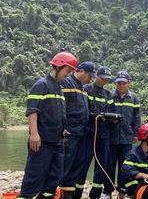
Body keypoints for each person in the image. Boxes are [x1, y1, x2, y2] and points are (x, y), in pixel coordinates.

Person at [17, 52, 78, 199]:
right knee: (34, 178)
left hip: (57, 141)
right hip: (42, 141)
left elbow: (57, 112)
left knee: (54, 178)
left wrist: (63, 128)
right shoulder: (41, 85)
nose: (67, 75)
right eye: (67, 71)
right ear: (58, 67)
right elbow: (32, 111)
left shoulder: (59, 88)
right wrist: (34, 134)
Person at [59, 61, 96, 199]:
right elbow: (60, 106)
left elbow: (83, 110)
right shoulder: (67, 83)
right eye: (89, 75)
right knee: (66, 164)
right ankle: (62, 194)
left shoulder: (82, 88)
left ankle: (68, 194)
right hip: (70, 133)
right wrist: (62, 126)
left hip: (81, 133)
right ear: (80, 71)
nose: (90, 78)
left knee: (76, 165)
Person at [103, 71, 141, 199]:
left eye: (123, 83)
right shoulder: (109, 96)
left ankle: (121, 192)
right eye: (118, 83)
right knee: (109, 166)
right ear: (115, 83)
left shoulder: (134, 98)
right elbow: (104, 115)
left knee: (125, 167)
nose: (121, 85)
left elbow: (137, 118)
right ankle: (107, 192)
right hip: (111, 138)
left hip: (126, 138)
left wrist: (136, 133)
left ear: (128, 83)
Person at [76, 66, 113, 199]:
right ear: (96, 76)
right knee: (82, 164)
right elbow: (83, 111)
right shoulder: (86, 90)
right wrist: (97, 116)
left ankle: (96, 194)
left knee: (101, 167)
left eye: (107, 80)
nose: (104, 82)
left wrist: (113, 119)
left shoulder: (108, 94)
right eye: (102, 79)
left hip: (103, 136)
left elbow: (111, 111)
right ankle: (76, 193)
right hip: (88, 135)